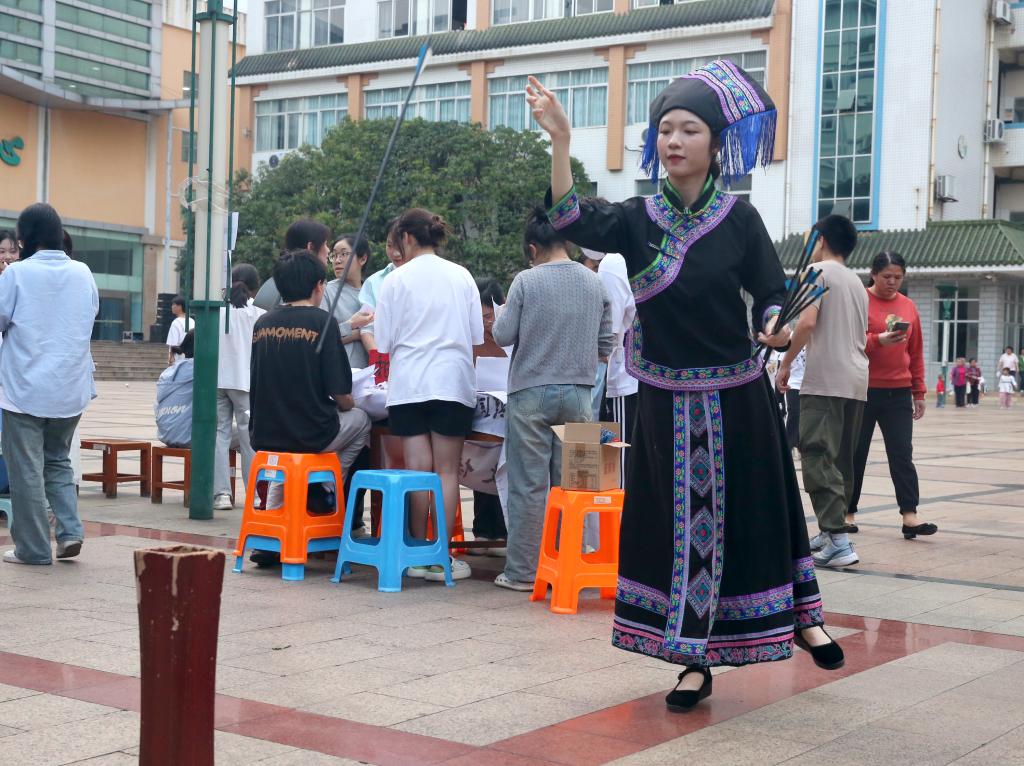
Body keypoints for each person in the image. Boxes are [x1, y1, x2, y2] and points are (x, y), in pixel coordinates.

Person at [530, 58, 841, 711]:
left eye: (688, 130)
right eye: (665, 130)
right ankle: (691, 662)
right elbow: (567, 218)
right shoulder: (636, 218)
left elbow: (771, 290)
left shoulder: (739, 218)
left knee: (759, 511)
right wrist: (561, 141)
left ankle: (800, 616)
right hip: (665, 399)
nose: (673, 141)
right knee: (677, 530)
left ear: (714, 143)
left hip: (737, 393)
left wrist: (775, 322)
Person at [491, 206, 613, 591]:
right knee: (578, 484)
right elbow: (607, 343)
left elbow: (503, 335)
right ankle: (573, 565)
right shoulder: (594, 282)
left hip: (529, 393)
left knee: (528, 485)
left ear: (533, 248)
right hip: (580, 394)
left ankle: (523, 573)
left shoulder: (525, 281)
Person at [373, 208, 483, 583]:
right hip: (452, 381)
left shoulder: (395, 281)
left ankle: (417, 552)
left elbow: (384, 341)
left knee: (416, 470)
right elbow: (475, 336)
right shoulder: (462, 275)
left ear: (406, 238)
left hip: (409, 384)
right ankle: (441, 555)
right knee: (447, 471)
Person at [0, 203, 98, 565]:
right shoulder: (83, 272)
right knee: (57, 460)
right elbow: (89, 316)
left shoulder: (17, 274)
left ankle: (34, 549)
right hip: (69, 389)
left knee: (26, 469)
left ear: (25, 240)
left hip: (25, 390)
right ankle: (70, 531)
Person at [778, 214, 867, 569]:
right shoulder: (856, 281)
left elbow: (807, 322)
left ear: (822, 240)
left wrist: (785, 362)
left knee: (816, 454)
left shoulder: (816, 272)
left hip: (826, 378)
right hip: (856, 380)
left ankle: (839, 542)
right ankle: (831, 533)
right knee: (841, 460)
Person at [846, 252, 936, 541]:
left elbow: (916, 352)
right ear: (873, 274)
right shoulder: (859, 300)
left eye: (898, 277)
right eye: (887, 276)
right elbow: (849, 342)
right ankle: (847, 513)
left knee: (901, 453)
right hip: (862, 390)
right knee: (855, 453)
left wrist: (919, 391)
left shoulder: (908, 306)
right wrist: (878, 340)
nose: (892, 282)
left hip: (898, 392)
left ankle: (910, 515)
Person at [213, 264, 265, 511]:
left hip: (217, 381)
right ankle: (254, 494)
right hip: (245, 383)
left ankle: (221, 495)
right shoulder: (259, 315)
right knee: (249, 440)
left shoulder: (217, 312)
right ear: (255, 288)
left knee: (219, 436)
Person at [468, 277, 509, 555]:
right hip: (479, 413)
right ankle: (483, 531)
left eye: (488, 316)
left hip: (506, 412)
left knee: (503, 462)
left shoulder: (510, 334)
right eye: (478, 317)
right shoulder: (471, 337)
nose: (484, 323)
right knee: (479, 460)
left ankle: (501, 532)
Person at [252, 219, 331, 311]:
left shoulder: (270, 286)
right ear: (310, 247)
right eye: (325, 244)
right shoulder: (317, 288)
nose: (328, 250)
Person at [321, 235, 373, 370]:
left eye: (344, 254)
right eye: (334, 255)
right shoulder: (326, 291)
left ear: (363, 259)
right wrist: (356, 331)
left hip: (373, 374)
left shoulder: (373, 291)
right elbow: (320, 337)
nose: (337, 260)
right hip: (342, 374)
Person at [358, 219, 405, 355]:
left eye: (400, 246)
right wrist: (381, 363)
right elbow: (367, 329)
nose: (395, 253)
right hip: (386, 359)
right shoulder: (373, 282)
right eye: (390, 245)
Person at [155, 330, 196, 447]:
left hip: (166, 434)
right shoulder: (201, 369)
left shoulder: (168, 371)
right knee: (240, 434)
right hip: (190, 436)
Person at [783, 346, 806, 453]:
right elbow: (782, 363)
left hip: (810, 384)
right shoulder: (791, 340)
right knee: (794, 413)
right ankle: (788, 445)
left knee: (805, 416)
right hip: (793, 383)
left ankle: (800, 444)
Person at [166, 296, 191, 365]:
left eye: (173, 304)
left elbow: (173, 343)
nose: (172, 307)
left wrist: (171, 357)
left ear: (180, 306)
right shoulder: (192, 321)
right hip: (190, 358)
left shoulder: (176, 323)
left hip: (178, 358)